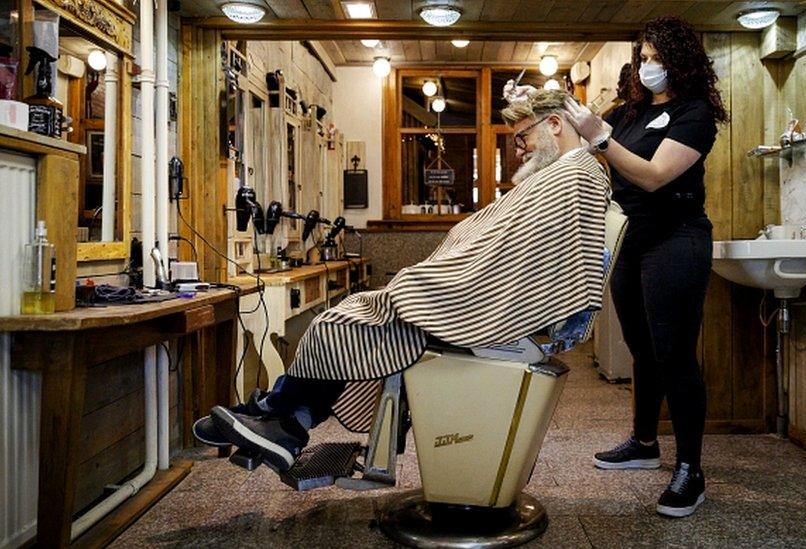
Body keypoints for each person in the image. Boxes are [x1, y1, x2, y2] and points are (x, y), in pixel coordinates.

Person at [200, 89, 612, 473]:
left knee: (338, 324)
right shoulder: (565, 174)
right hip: (488, 301)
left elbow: (512, 258)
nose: (518, 149)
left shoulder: (571, 175)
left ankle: (279, 416)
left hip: (489, 310)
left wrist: (435, 281)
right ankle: (284, 420)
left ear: (555, 124)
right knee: (351, 322)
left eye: (522, 137)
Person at [561, 16, 728, 518]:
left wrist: (602, 139)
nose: (648, 66)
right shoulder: (630, 111)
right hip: (630, 238)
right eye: (643, 57)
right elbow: (584, 142)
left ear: (680, 60)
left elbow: (655, 176)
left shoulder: (694, 114)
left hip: (676, 238)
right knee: (641, 348)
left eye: (657, 58)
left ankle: (690, 471)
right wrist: (556, 112)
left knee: (674, 353)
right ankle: (643, 442)